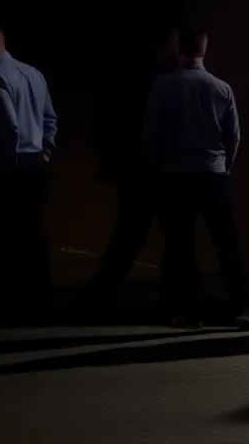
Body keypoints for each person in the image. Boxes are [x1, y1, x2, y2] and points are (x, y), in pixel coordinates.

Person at [144, 31, 249, 328]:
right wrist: (225, 164)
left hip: (176, 175)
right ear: (204, 51)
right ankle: (243, 307)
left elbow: (152, 133)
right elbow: (233, 135)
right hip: (213, 173)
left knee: (181, 246)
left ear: (179, 50)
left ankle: (190, 312)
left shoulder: (163, 87)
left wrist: (159, 166)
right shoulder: (221, 88)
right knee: (228, 243)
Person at [85, 27, 179, 310]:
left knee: (133, 232)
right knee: (151, 231)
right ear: (162, 46)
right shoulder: (150, 80)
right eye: (174, 45)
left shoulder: (138, 77)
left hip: (140, 169)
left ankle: (104, 286)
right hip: (148, 169)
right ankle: (167, 292)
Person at [0, 23, 57, 321]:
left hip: (11, 166)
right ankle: (42, 296)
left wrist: (5, 159)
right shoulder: (34, 74)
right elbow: (50, 117)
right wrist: (46, 150)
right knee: (33, 229)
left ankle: (11, 300)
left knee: (5, 234)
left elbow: (8, 124)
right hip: (36, 164)